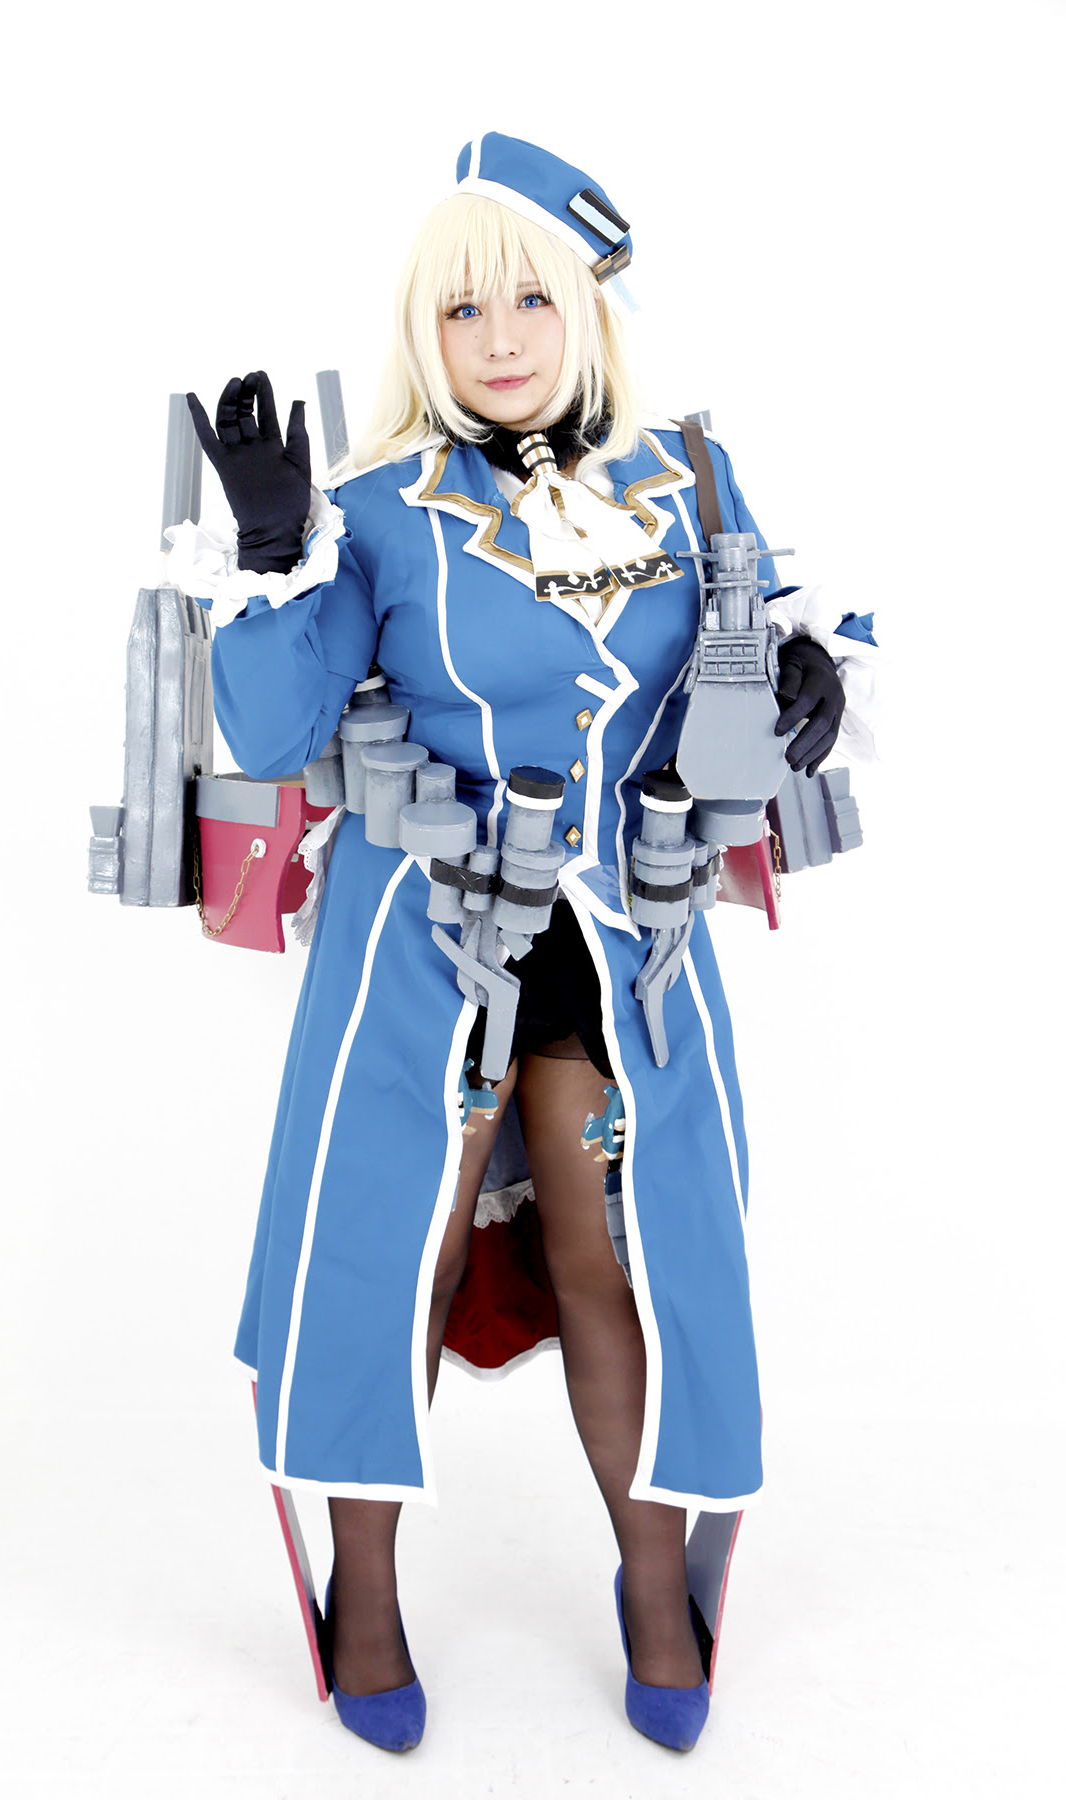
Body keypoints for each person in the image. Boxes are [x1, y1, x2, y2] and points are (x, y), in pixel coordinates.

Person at [171, 132, 868, 1755]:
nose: (499, 338)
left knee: (615, 1252)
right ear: (424, 327)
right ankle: (363, 1593)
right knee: (393, 1258)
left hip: (627, 942)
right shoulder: (374, 509)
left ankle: (654, 1586)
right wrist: (273, 561)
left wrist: (809, 687)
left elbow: (741, 683)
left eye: (531, 300)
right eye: (463, 307)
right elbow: (272, 733)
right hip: (423, 946)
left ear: (586, 308)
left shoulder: (685, 479)